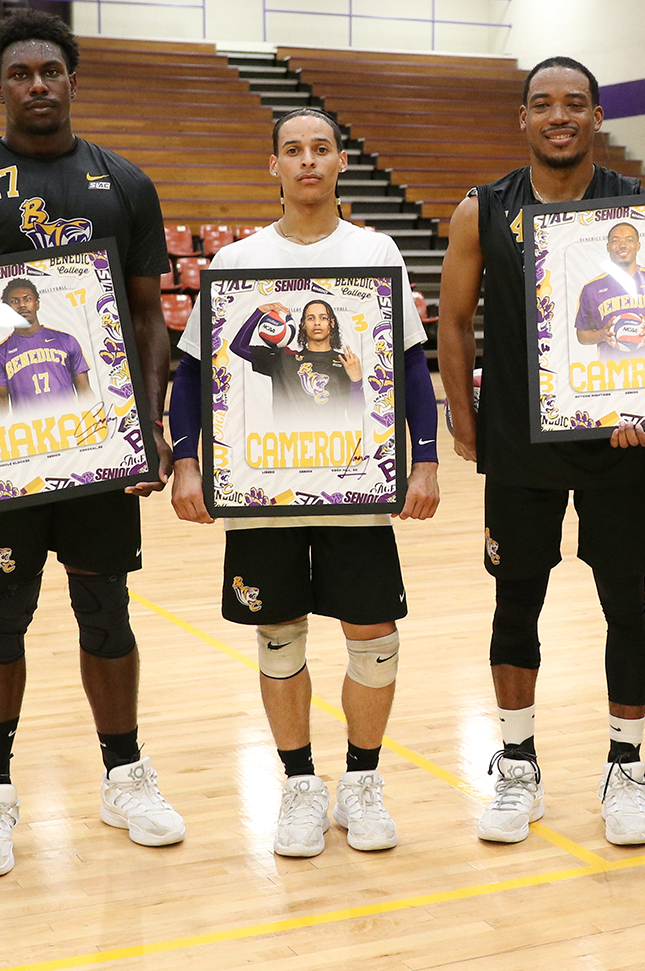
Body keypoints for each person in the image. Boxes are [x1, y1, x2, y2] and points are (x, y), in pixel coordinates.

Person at [0, 9, 182, 879]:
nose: (38, 85)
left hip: (97, 446)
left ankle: (124, 776)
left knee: (106, 608)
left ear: (73, 79)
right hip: (1, 454)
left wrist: (151, 426)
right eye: (21, 73)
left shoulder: (124, 182)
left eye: (51, 71)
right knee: (2, 612)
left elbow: (148, 316)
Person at [168, 107, 440, 858]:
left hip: (356, 484)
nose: (308, 161)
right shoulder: (237, 262)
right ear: (275, 165)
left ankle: (362, 782)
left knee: (373, 637)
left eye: (322, 149)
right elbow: (193, 370)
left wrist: (424, 460)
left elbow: (410, 364)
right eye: (294, 150)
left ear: (341, 162)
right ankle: (297, 785)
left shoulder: (376, 251)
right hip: (264, 489)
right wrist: (186, 460)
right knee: (279, 632)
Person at [439, 56, 645, 848]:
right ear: (524, 119)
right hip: (520, 444)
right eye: (543, 104)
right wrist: (463, 420)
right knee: (516, 604)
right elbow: (454, 322)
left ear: (597, 116)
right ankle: (516, 763)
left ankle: (626, 767)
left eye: (574, 103)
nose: (559, 116)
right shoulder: (483, 208)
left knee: (626, 605)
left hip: (616, 442)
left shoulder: (637, 209)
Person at [0, 277, 94, 414]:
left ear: (37, 304)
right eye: (15, 301)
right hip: (30, 426)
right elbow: (1, 410)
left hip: (70, 423)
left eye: (27, 299)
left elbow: (85, 392)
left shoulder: (66, 341)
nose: (22, 305)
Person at [230, 296, 363, 428]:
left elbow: (356, 415)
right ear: (303, 324)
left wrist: (357, 379)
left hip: (331, 440)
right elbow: (238, 346)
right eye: (310, 318)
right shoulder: (284, 359)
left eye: (323, 318)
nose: (317, 323)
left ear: (332, 323)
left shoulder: (346, 363)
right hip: (289, 440)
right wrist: (260, 311)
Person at [573, 222, 645, 359]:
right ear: (608, 247)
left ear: (638, 245)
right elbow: (582, 336)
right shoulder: (591, 288)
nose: (622, 245)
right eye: (615, 240)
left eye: (629, 240)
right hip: (611, 368)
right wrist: (602, 334)